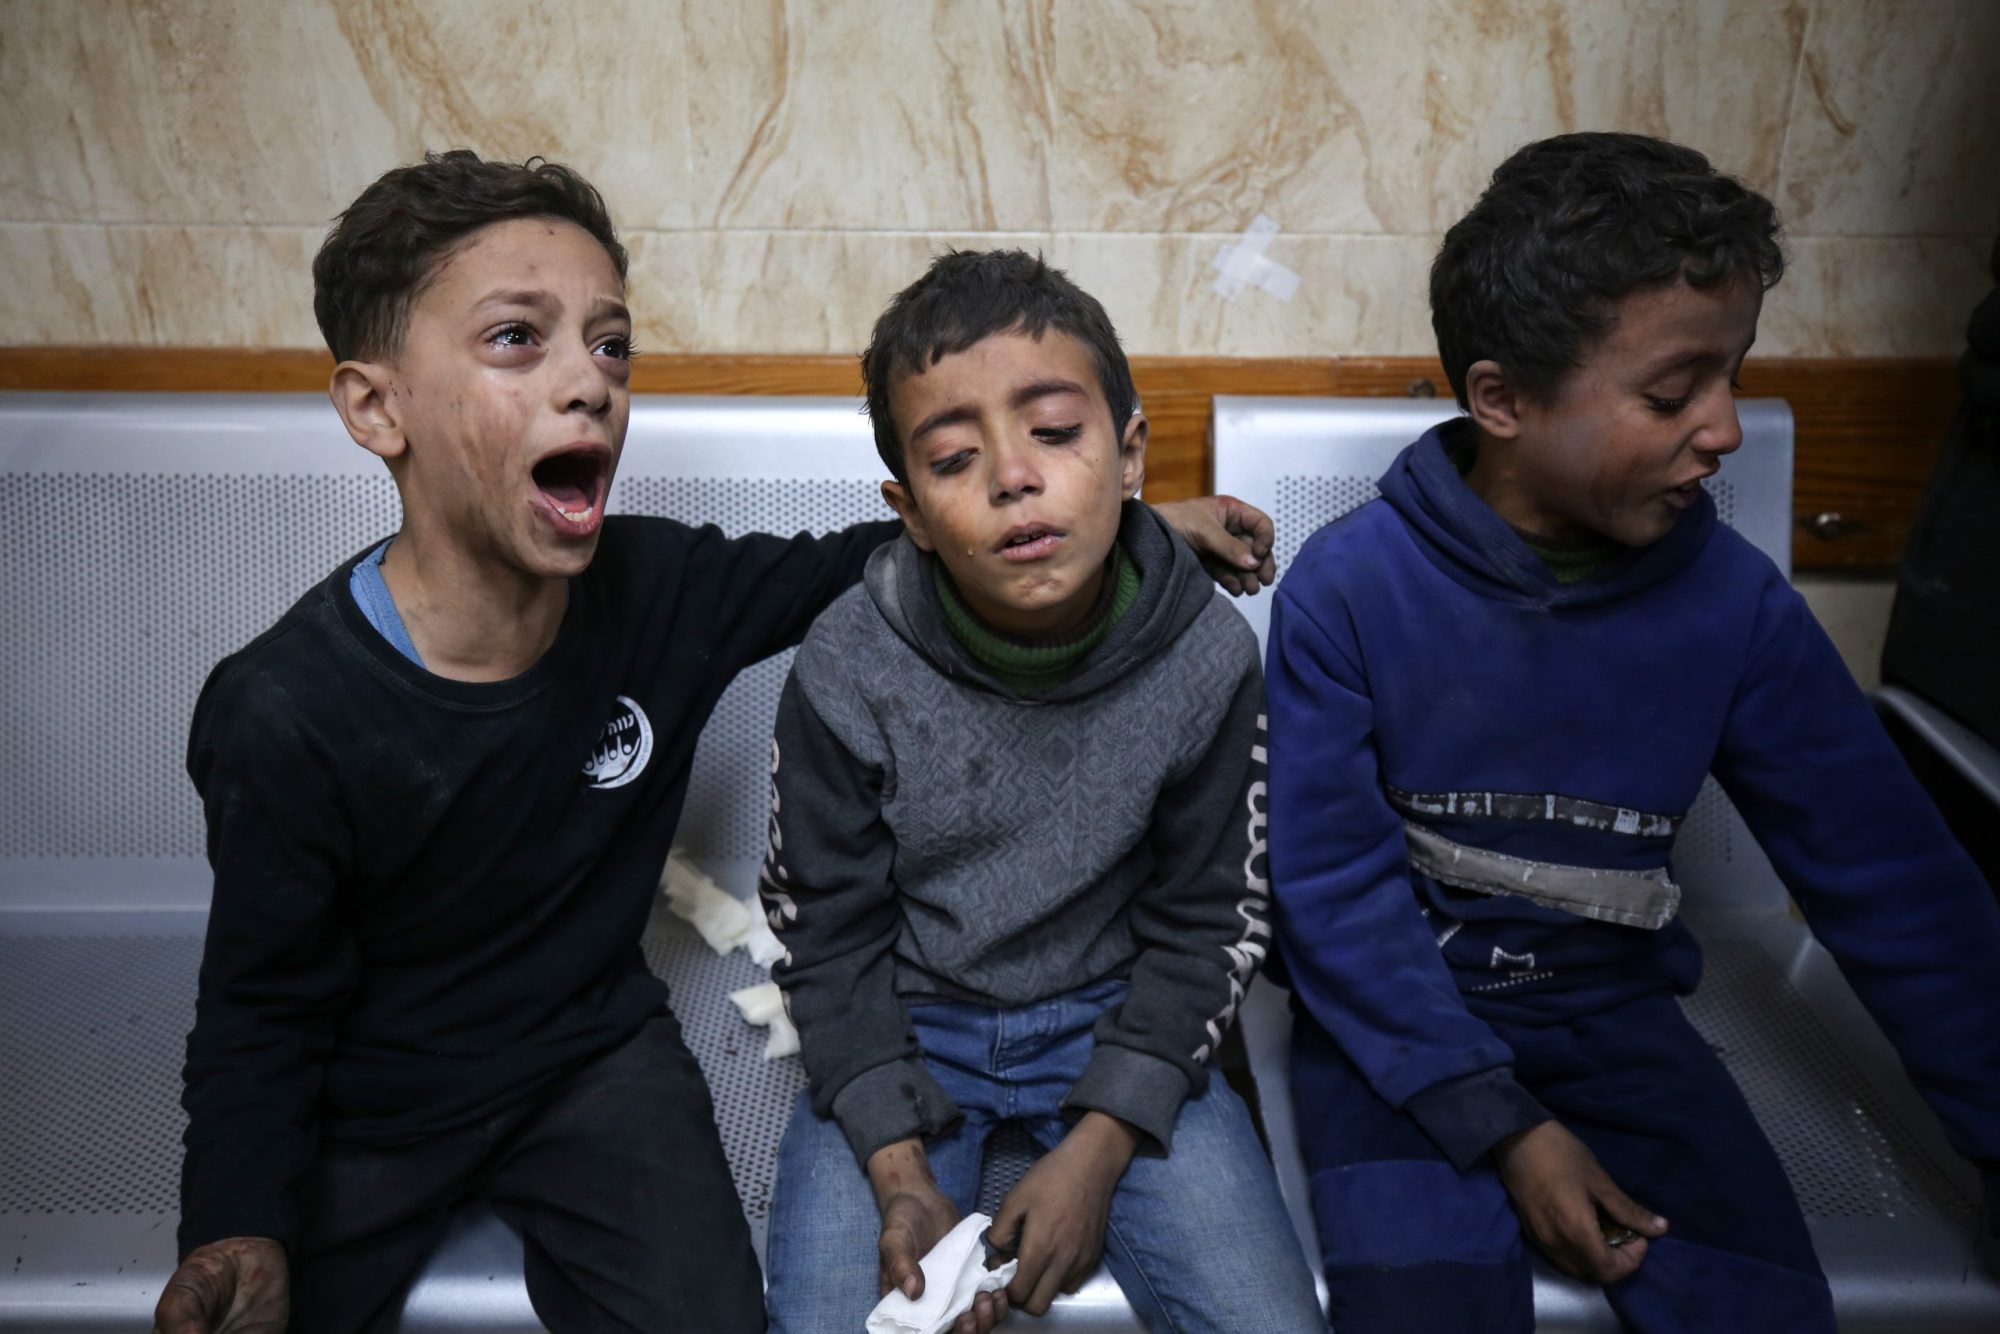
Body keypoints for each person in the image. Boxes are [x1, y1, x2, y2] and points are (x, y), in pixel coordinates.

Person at [152, 152, 1278, 1334]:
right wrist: (233, 1220)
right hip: (367, 1098)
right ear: (377, 406)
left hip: (592, 1063)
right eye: (515, 340)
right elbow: (257, 1007)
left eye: (609, 344)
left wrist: (1129, 526)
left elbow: (906, 546)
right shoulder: (284, 709)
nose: (589, 384)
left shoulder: (658, 589)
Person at [1266, 132, 2000, 1333]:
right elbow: (1333, 900)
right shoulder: (1348, 592)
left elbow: (1890, 880)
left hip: (1614, 1021)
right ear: (1501, 400)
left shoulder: (1733, 607)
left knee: (1760, 1306)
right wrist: (1503, 1128)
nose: (1722, 427)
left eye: (1731, 376)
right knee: (1420, 1307)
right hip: (1391, 1035)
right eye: (1671, 393)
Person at [758, 249, 1327, 1334]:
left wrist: (1101, 1146)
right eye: (954, 457)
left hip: (1121, 1017)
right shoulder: (846, 662)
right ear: (911, 511)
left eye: (1054, 433)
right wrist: (897, 1170)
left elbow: (1212, 920)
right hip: (908, 1025)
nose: (1011, 476)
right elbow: (825, 937)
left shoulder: (1206, 657)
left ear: (1127, 455)